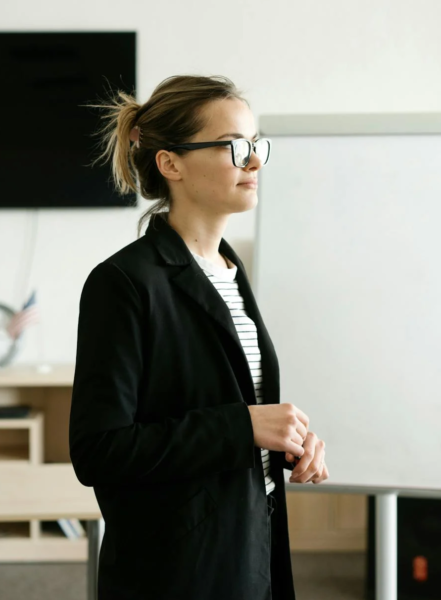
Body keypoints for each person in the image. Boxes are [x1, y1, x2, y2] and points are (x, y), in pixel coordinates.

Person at [69, 74, 329, 600]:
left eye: (256, 145)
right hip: (176, 569)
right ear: (171, 164)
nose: (254, 162)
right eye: (235, 147)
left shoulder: (231, 273)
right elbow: (99, 451)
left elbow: (227, 416)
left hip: (251, 547)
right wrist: (243, 427)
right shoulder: (123, 283)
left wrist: (288, 445)